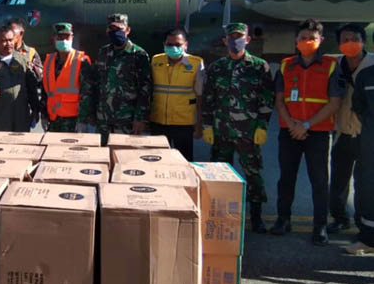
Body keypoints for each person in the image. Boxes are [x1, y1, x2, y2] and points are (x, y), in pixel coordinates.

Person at [271, 19, 345, 246]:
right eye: (303, 38)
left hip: (318, 132)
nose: (306, 42)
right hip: (289, 130)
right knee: (286, 178)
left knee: (319, 180)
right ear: (296, 40)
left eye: (311, 38)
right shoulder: (286, 65)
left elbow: (334, 103)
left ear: (321, 40)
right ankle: (283, 219)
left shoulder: (331, 65)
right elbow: (279, 100)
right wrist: (293, 124)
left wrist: (307, 125)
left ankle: (320, 225)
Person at [202, 22, 274, 233]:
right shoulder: (217, 67)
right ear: (225, 40)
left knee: (253, 174)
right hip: (221, 131)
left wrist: (262, 126)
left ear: (248, 39)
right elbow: (208, 99)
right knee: (219, 175)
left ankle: (257, 216)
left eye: (239, 36)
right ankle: (221, 214)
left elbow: (266, 99)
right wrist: (207, 125)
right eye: (231, 37)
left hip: (248, 132)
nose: (235, 40)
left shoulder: (259, 66)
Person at [77, 13, 152, 145]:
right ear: (107, 30)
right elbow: (96, 84)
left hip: (126, 121)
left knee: (124, 157)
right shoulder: (103, 53)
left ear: (128, 30)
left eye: (119, 29)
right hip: (103, 119)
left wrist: (140, 118)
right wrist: (91, 114)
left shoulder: (138, 55)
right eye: (112, 29)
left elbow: (145, 89)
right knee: (102, 157)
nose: (115, 32)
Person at [327, 24, 374, 234]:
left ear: (364, 41)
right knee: (338, 179)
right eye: (345, 40)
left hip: (367, 134)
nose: (349, 43)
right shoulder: (335, 64)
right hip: (342, 132)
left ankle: (363, 220)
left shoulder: (372, 63)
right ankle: (339, 217)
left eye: (354, 39)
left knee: (365, 182)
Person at [149, 27, 205, 160]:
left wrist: (199, 124)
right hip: (158, 121)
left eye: (178, 45)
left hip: (183, 123)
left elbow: (200, 95)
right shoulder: (156, 61)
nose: (173, 48)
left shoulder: (196, 63)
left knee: (183, 161)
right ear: (164, 45)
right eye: (169, 45)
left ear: (186, 45)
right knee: (156, 160)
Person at [40, 22, 93, 132]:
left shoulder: (81, 61)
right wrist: (44, 115)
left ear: (72, 38)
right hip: (53, 119)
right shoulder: (48, 61)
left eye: (67, 37)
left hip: (73, 121)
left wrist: (82, 121)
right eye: (60, 37)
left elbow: (87, 94)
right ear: (54, 38)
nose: (64, 40)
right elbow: (46, 92)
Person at [348, 54, 374, 254]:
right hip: (370, 143)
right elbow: (358, 106)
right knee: (368, 190)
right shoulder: (365, 76)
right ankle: (368, 239)